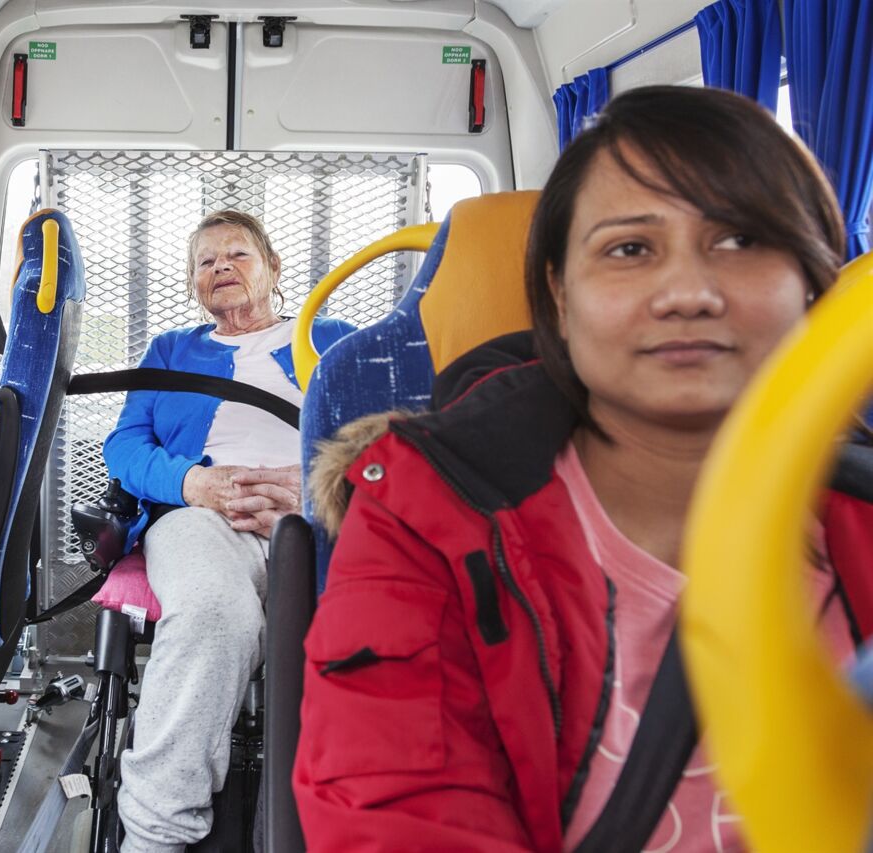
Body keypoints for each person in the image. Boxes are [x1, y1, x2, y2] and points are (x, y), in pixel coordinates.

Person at [294, 85, 871, 852]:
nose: (688, 293)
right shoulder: (429, 517)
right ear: (559, 298)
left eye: (741, 240)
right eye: (630, 249)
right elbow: (397, 813)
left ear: (815, 283)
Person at [103, 209, 355, 853]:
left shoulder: (334, 338)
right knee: (215, 612)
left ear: (273, 268)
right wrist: (193, 483)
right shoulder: (169, 351)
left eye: (238, 254)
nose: (221, 267)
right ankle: (156, 834)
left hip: (325, 520)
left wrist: (319, 487)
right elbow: (125, 447)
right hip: (203, 519)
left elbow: (395, 432)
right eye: (205, 261)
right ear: (193, 283)